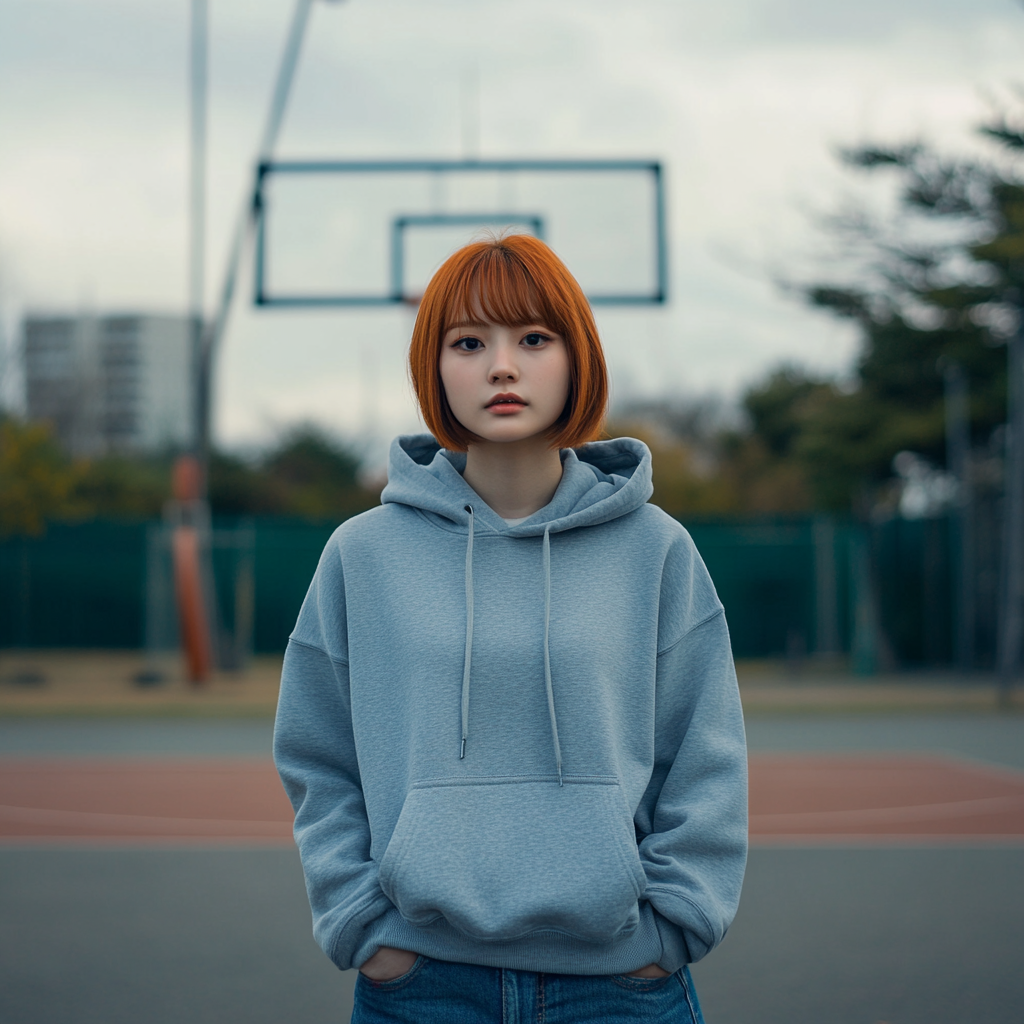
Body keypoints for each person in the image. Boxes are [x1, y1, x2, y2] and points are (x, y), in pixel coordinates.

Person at [274, 234, 747, 1023]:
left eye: (532, 338)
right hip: (423, 985)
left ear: (576, 358)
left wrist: (674, 923)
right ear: (435, 365)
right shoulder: (364, 554)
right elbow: (317, 753)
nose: (502, 366)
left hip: (621, 986)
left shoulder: (656, 548)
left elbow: (706, 750)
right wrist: (363, 925)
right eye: (469, 341)